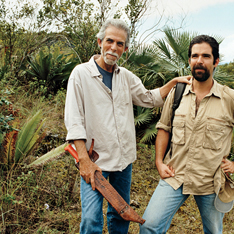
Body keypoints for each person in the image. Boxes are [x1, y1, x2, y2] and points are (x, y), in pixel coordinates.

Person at [64, 19, 191, 234]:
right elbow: (74, 119)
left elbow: (149, 99)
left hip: (123, 160)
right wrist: (84, 160)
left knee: (120, 213)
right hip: (94, 160)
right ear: (99, 42)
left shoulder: (126, 77)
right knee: (90, 220)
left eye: (120, 44)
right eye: (110, 41)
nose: (114, 48)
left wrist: (171, 84)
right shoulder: (81, 74)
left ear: (126, 49)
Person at [139, 35, 234, 234]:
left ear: (216, 61)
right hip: (175, 174)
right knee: (150, 226)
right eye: (195, 56)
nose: (199, 61)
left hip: (210, 181)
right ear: (189, 61)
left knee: (213, 231)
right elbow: (164, 128)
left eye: (206, 56)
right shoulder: (177, 93)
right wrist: (159, 162)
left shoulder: (230, 98)